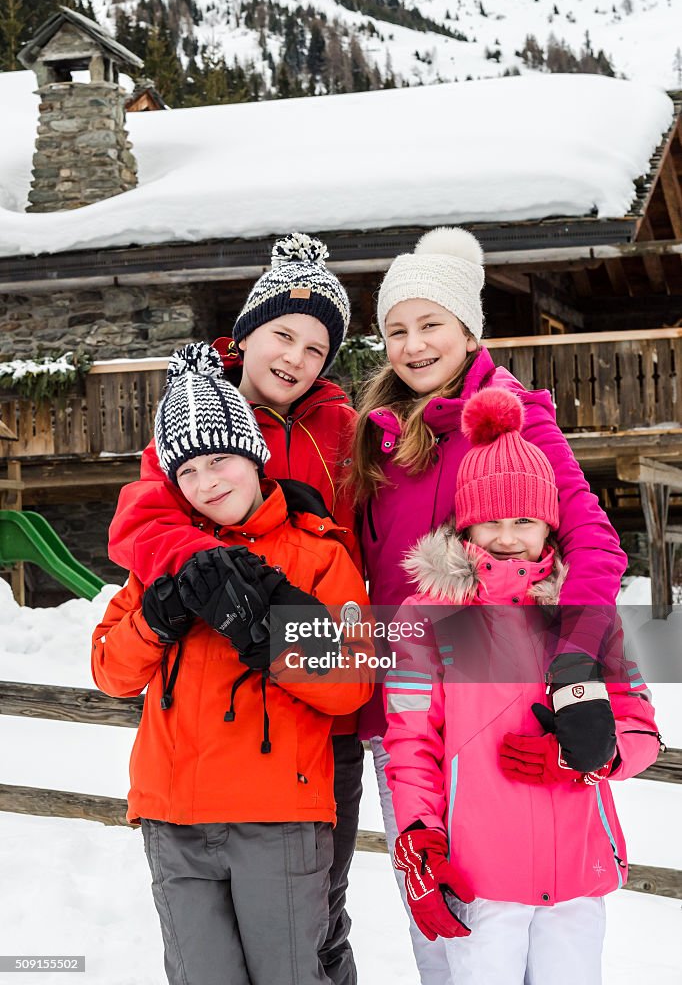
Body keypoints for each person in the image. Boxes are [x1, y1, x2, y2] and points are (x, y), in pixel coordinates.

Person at [350, 226, 630, 985]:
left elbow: (595, 546)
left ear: (469, 328)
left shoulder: (517, 421)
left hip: (500, 708)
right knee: (441, 928)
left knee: (525, 923)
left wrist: (576, 659)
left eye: (430, 323)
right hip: (405, 712)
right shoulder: (375, 436)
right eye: (396, 330)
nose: (412, 345)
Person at [107, 234, 364, 985]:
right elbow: (142, 521)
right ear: (245, 332)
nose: (295, 356)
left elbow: (362, 581)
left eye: (316, 347)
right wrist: (196, 578)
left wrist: (282, 616)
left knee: (318, 923)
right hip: (198, 748)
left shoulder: (345, 433)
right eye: (282, 333)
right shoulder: (190, 421)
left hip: (314, 729)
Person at [382, 386, 661, 985]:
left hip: (575, 873)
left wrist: (591, 756)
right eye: (490, 522)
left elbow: (641, 729)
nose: (507, 537)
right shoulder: (426, 616)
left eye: (525, 520)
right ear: (466, 525)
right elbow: (410, 746)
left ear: (550, 526)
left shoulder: (586, 615)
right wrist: (420, 837)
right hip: (481, 876)